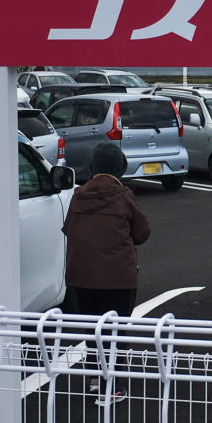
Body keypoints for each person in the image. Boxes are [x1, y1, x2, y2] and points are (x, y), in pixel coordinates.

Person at [61, 142, 150, 403]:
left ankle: (93, 380)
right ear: (120, 167)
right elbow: (142, 233)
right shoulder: (123, 196)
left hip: (82, 277)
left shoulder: (78, 196)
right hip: (118, 278)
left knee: (92, 330)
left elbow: (68, 229)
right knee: (116, 332)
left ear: (93, 167)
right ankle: (112, 387)